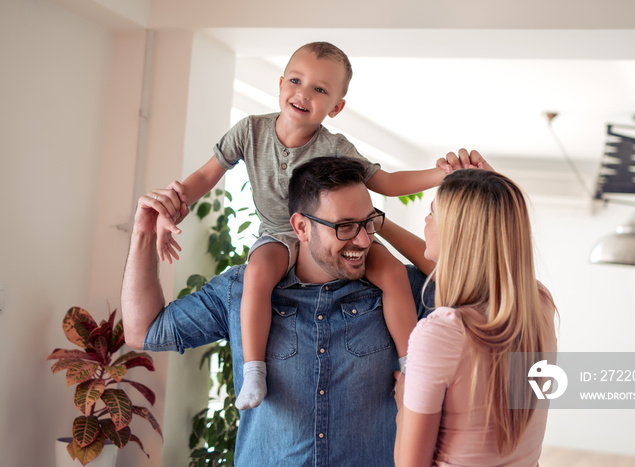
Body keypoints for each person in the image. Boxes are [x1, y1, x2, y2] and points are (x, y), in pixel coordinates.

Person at [122, 152, 490, 466]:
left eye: (368, 224)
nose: (362, 240)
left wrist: (485, 199)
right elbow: (144, 331)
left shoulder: (401, 290)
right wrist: (142, 232)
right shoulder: (240, 290)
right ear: (300, 227)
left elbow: (484, 294)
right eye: (344, 227)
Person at [155, 41, 452, 410]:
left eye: (320, 89)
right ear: (280, 84)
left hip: (335, 233)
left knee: (391, 270)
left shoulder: (336, 147)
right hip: (278, 234)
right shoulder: (250, 130)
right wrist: (174, 205)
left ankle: (411, 363)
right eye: (296, 80)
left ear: (336, 107)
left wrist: (441, 175)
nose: (303, 93)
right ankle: (254, 370)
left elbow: (387, 183)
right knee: (257, 275)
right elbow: (205, 174)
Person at [383, 168, 558, 466]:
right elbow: (486, 257)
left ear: (456, 233)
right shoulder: (538, 304)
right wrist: (380, 223)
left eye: (432, 213)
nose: (426, 221)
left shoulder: (444, 332)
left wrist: (402, 400)